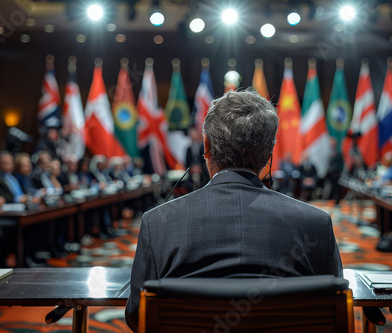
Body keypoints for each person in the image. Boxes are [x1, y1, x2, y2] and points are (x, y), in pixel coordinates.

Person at [125, 90, 343, 331]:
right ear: (268, 155)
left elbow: (138, 316)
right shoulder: (317, 224)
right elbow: (333, 312)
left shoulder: (157, 224)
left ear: (206, 146)